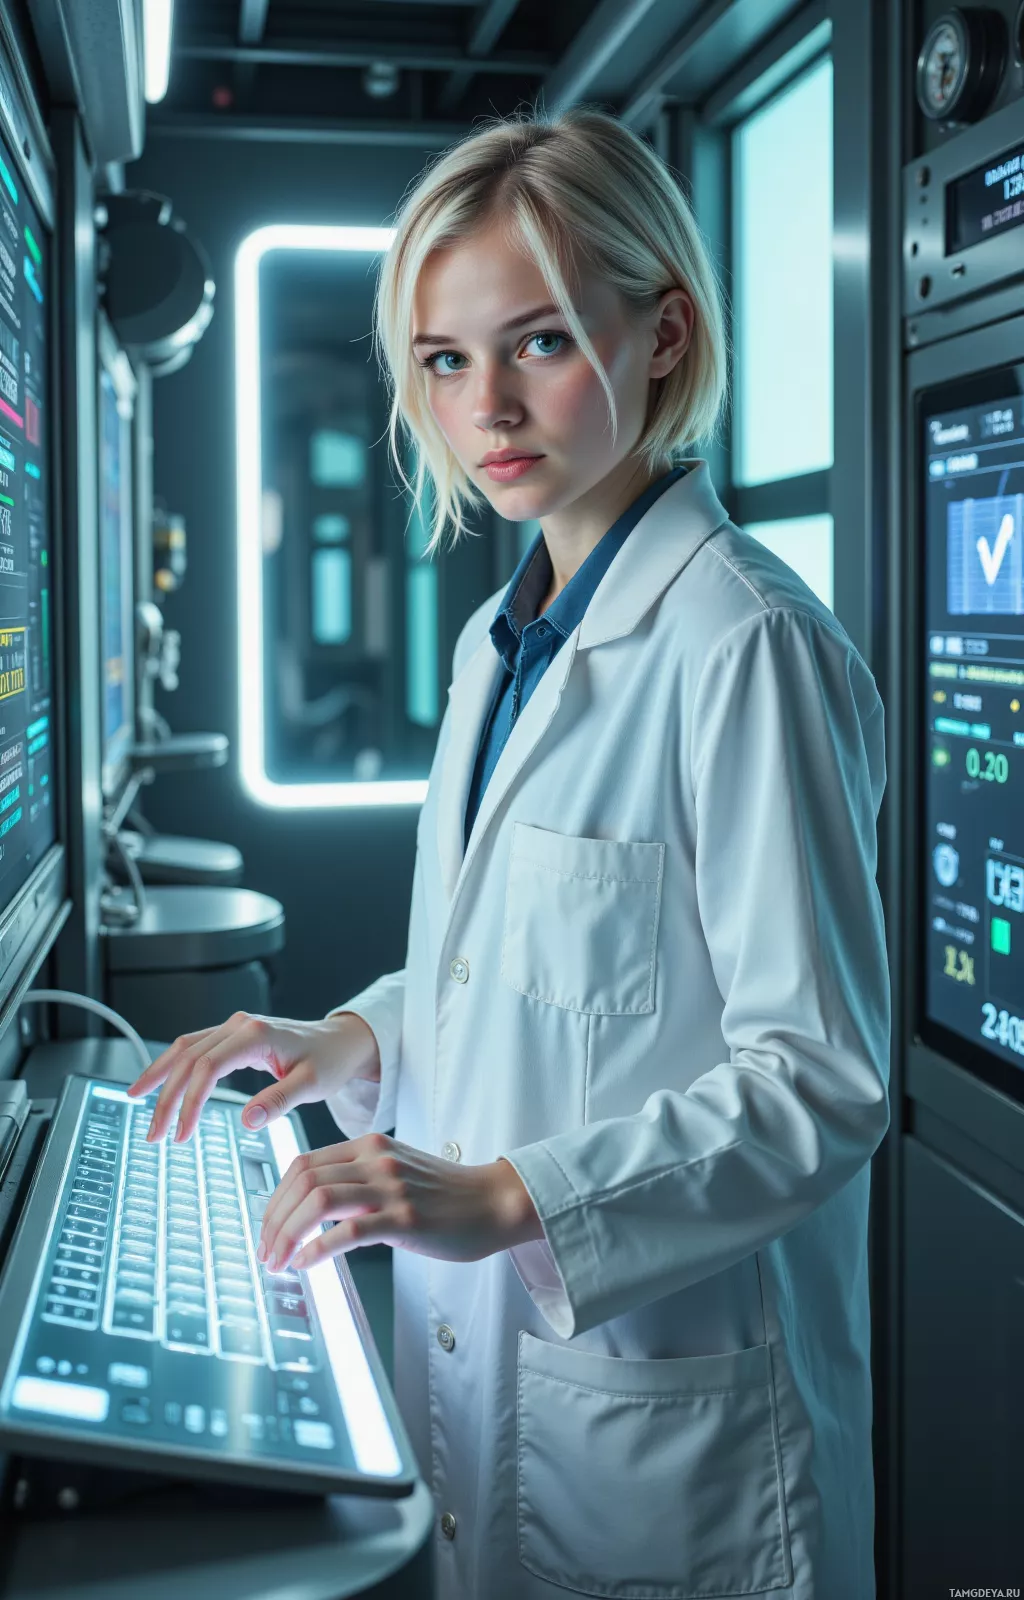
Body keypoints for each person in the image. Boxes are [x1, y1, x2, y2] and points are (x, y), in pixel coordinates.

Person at [129, 106, 890, 1600]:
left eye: (539, 342)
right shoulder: (502, 639)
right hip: (495, 1391)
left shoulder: (748, 646)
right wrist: (352, 1036)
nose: (488, 407)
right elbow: (519, 972)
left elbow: (820, 1079)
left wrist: (509, 1199)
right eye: (444, 359)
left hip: (679, 1441)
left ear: (663, 334)